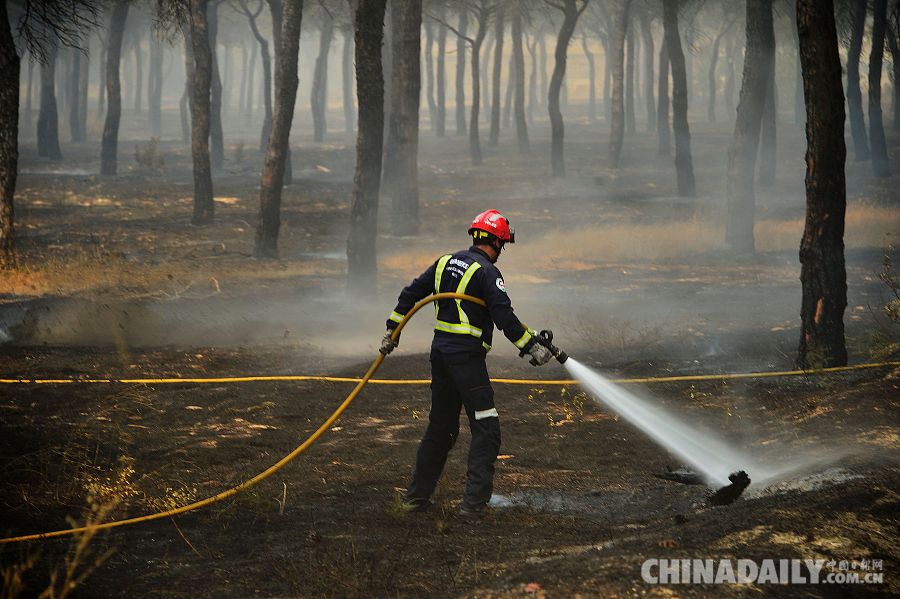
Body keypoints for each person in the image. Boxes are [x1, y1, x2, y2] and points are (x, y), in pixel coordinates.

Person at [380, 209, 552, 516]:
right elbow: (504, 317)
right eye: (503, 244)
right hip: (467, 360)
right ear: (497, 242)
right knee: (487, 428)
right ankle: (473, 505)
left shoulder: (445, 262)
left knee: (441, 428)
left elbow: (410, 294)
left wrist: (392, 331)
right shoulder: (488, 272)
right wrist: (531, 347)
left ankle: (416, 498)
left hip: (441, 356)